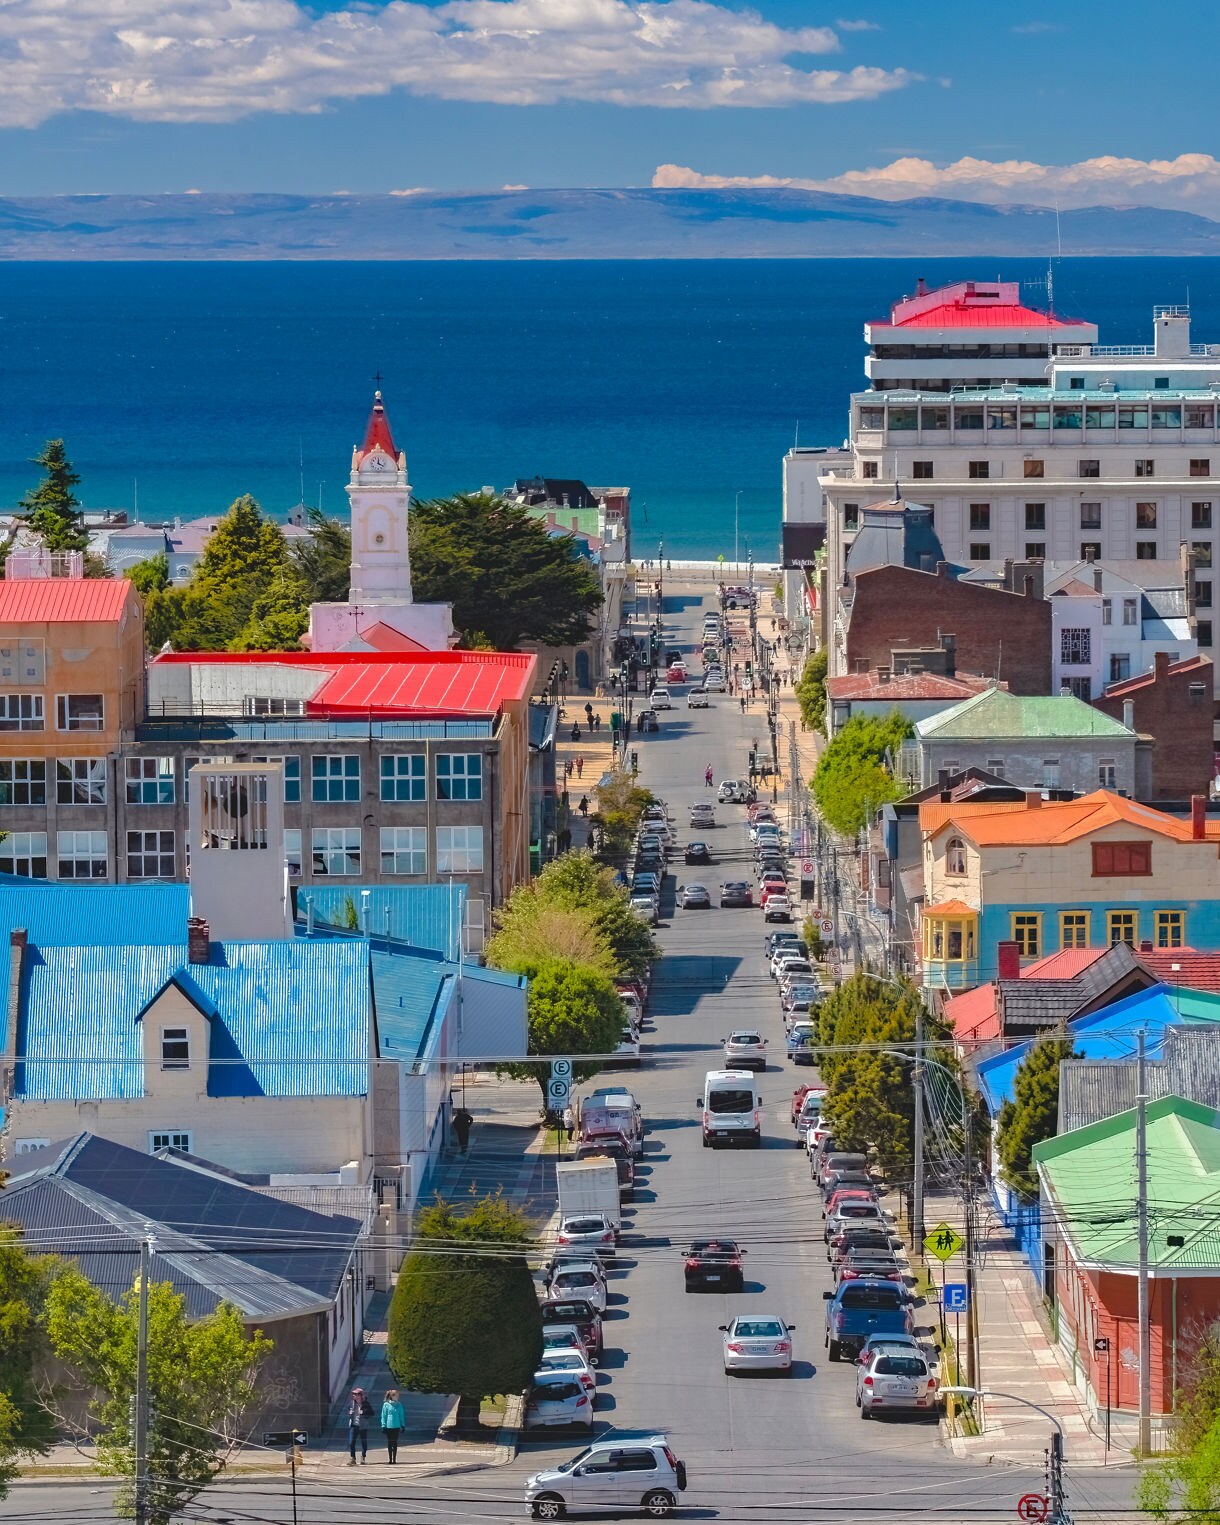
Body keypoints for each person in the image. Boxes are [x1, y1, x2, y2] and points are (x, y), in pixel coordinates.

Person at [347, 1387, 372, 1465]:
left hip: (363, 1426)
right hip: (354, 1425)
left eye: (356, 1394)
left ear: (360, 1395)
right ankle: (353, 1458)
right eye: (353, 1394)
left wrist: (364, 1412)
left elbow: (371, 1413)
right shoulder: (352, 1403)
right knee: (351, 1442)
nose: (354, 1395)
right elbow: (348, 1409)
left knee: (363, 1442)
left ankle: (363, 1457)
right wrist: (349, 1413)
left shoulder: (366, 1404)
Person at [381, 1389, 405, 1464]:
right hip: (389, 1426)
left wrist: (403, 1425)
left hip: (396, 1426)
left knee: (395, 1442)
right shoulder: (386, 1404)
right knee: (390, 1442)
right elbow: (383, 1415)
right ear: (392, 1396)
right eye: (396, 1395)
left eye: (398, 1396)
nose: (397, 1397)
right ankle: (390, 1459)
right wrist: (383, 1425)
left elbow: (401, 1415)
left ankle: (394, 1459)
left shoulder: (399, 1405)